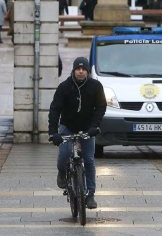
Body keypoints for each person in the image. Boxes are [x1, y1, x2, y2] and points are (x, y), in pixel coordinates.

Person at [48, 57, 106, 209]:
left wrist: (94, 126)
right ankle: (62, 172)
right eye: (78, 69)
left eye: (84, 69)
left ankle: (91, 195)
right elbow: (55, 110)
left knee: (89, 160)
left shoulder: (96, 86)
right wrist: (53, 133)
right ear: (73, 70)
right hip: (67, 126)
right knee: (64, 154)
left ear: (87, 71)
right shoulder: (64, 87)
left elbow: (101, 107)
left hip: (87, 128)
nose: (81, 71)